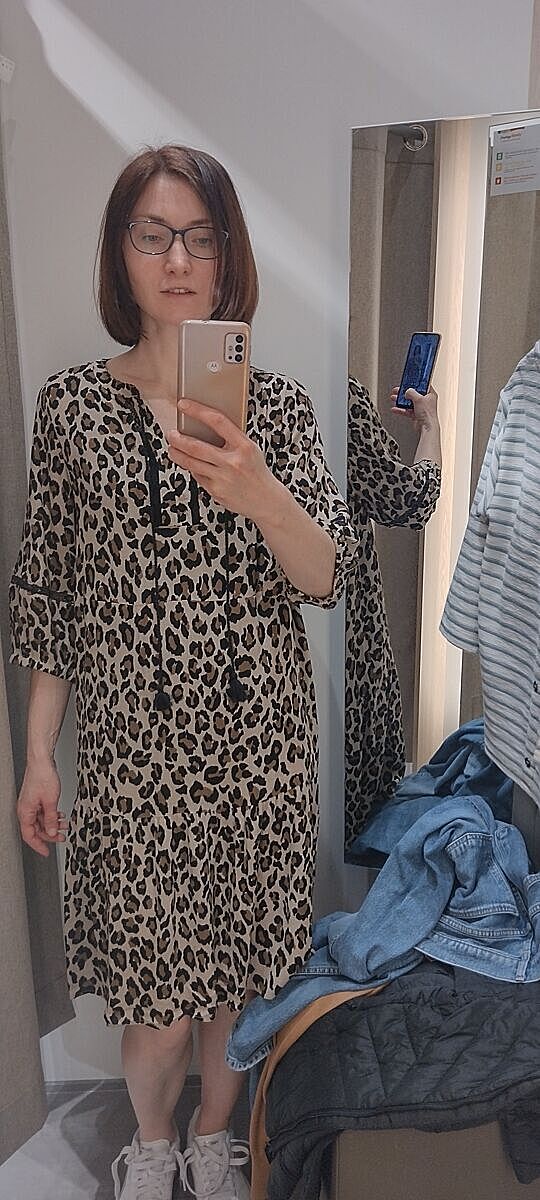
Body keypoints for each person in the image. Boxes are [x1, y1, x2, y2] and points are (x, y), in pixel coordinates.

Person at [9, 145, 357, 1200]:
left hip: (258, 756)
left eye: (200, 237)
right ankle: (153, 1143)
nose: (176, 259)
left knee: (236, 982)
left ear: (227, 255)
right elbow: (51, 595)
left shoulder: (276, 410)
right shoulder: (73, 409)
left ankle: (215, 1137)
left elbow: (325, 575)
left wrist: (258, 489)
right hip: (135, 764)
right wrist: (39, 755)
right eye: (153, 234)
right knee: (158, 998)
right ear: (122, 252)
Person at [344, 376, 442, 851]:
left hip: (253, 636)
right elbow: (409, 499)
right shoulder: (332, 396)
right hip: (346, 626)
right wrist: (430, 425)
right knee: (358, 810)